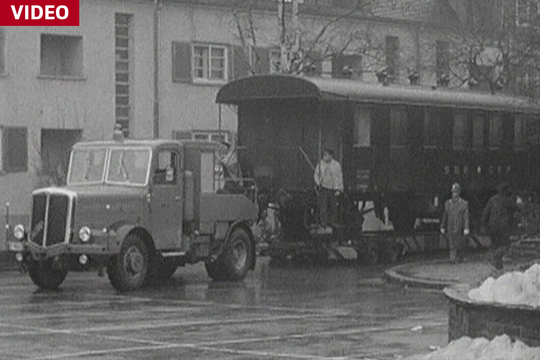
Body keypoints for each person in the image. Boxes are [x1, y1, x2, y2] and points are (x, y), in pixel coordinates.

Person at [482, 182, 520, 270]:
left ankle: (498, 265)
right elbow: (517, 208)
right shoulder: (507, 200)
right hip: (503, 226)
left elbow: (485, 213)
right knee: (506, 245)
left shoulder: (492, 200)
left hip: (492, 227)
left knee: (495, 245)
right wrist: (518, 201)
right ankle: (495, 256)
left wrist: (484, 224)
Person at [440, 183, 470, 263]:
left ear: (459, 193)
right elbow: (445, 216)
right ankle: (452, 258)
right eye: (453, 192)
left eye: (456, 192)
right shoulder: (447, 204)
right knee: (451, 242)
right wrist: (442, 226)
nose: (454, 194)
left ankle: (461, 257)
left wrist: (466, 227)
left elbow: (466, 217)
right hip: (450, 225)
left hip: (460, 226)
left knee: (460, 243)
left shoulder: (464, 204)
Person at [314, 148, 343, 226]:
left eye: (326, 155)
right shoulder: (320, 164)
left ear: (331, 156)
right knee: (323, 207)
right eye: (324, 155)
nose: (324, 157)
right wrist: (318, 182)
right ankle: (324, 223)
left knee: (333, 207)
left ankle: (333, 223)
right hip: (323, 188)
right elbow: (316, 174)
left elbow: (339, 177)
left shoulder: (336, 165)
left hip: (333, 189)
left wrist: (339, 189)